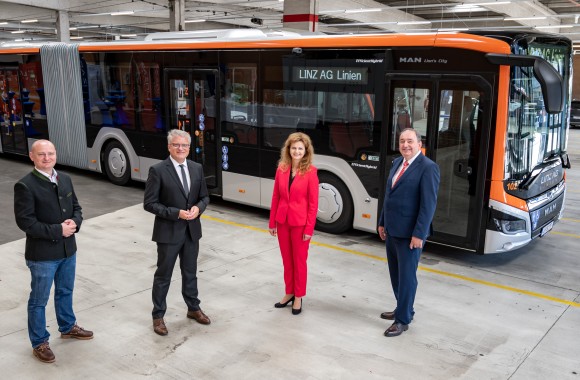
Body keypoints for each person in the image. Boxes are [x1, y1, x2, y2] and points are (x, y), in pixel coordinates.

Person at [14, 140, 93, 363]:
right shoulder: (25, 185)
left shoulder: (65, 179)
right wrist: (59, 230)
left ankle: (67, 327)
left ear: (55, 154)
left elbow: (77, 208)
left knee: (65, 291)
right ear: (32, 156)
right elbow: (26, 223)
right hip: (43, 256)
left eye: (50, 153)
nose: (47, 158)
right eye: (42, 154)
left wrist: (75, 223)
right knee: (39, 300)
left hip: (68, 250)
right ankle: (39, 342)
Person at [144, 129, 211, 336]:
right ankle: (158, 316)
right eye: (176, 145)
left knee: (190, 273)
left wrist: (198, 208)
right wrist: (176, 213)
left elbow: (204, 197)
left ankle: (193, 308)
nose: (180, 148)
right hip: (168, 232)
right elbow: (150, 203)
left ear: (189, 148)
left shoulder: (196, 168)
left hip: (192, 232)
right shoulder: (158, 170)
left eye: (184, 145)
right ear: (169, 147)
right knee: (163, 275)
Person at [377, 128, 440, 337]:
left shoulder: (428, 168)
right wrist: (382, 221)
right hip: (392, 229)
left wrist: (419, 234)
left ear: (419, 144)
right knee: (395, 275)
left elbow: (428, 205)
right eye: (402, 141)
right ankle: (403, 308)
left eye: (410, 141)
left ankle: (402, 320)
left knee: (407, 277)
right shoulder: (397, 163)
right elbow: (389, 196)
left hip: (410, 235)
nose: (405, 145)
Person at [269, 132, 319, 315]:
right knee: (287, 260)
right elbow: (276, 196)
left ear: (305, 151)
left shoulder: (311, 172)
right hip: (282, 221)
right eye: (293, 148)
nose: (296, 151)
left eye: (300, 148)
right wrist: (272, 222)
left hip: (300, 224)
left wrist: (309, 229)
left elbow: (314, 204)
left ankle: (298, 296)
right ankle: (289, 292)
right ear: (288, 149)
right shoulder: (281, 168)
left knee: (299, 261)